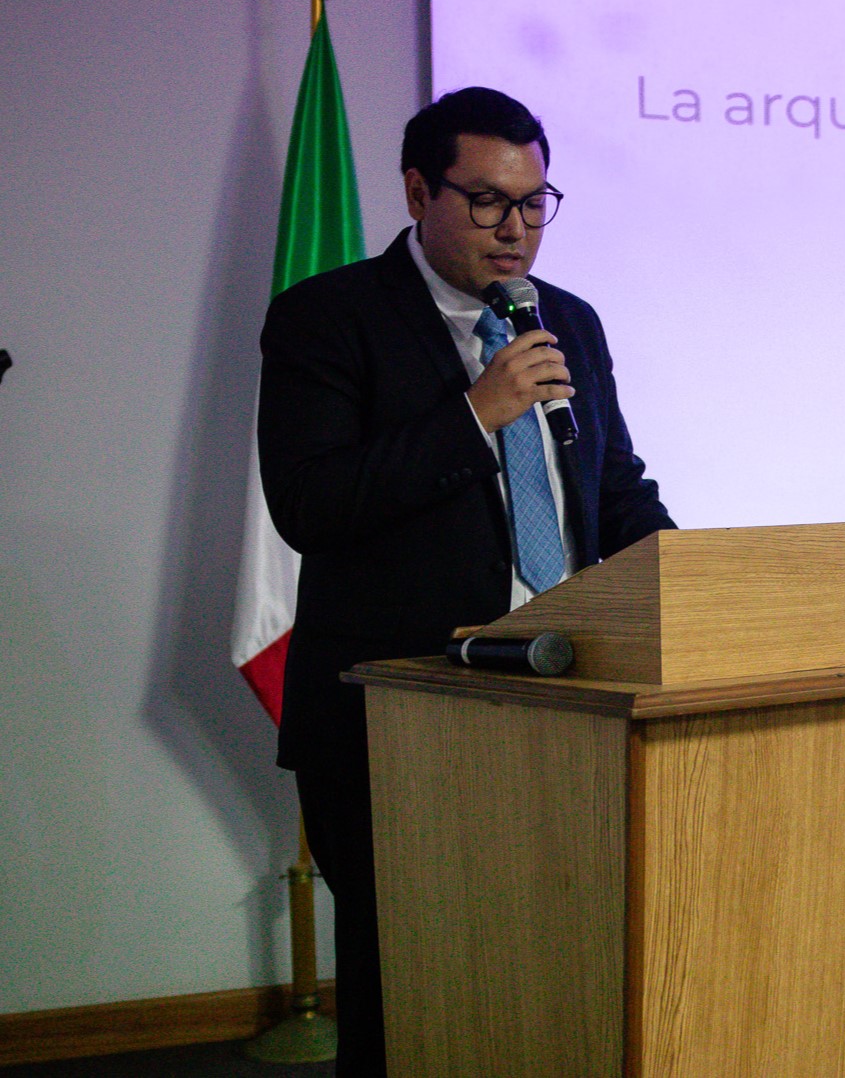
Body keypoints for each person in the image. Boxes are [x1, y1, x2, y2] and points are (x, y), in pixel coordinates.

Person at [257, 87, 675, 1076]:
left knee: (551, 970)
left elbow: (611, 490)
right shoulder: (328, 318)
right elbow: (310, 504)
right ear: (417, 192)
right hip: (396, 711)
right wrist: (474, 414)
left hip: (563, 693)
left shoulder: (568, 320)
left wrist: (696, 581)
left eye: (534, 202)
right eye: (487, 201)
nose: (516, 228)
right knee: (409, 982)